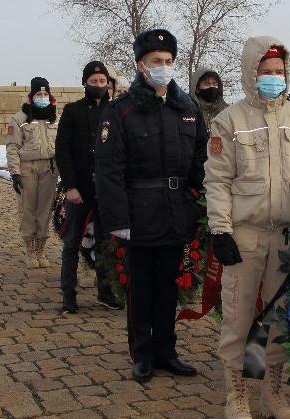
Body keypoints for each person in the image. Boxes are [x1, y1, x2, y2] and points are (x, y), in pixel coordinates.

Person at [204, 36, 290, 419]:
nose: (273, 78)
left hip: (288, 238)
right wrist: (220, 231)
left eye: (279, 72)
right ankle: (236, 394)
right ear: (251, 73)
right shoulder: (230, 120)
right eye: (266, 72)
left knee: (280, 317)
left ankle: (273, 393)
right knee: (238, 316)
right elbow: (218, 180)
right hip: (245, 235)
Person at [96, 28, 208, 384]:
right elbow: (108, 170)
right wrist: (118, 220)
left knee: (168, 285)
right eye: (156, 61)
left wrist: (196, 205)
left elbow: (202, 161)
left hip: (177, 210)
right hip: (139, 212)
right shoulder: (122, 111)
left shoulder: (187, 108)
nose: (163, 67)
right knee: (141, 287)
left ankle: (167, 350)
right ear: (141, 65)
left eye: (169, 61)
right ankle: (142, 352)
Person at [55, 61, 122, 313]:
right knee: (72, 241)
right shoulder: (73, 111)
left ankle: (105, 291)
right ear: (85, 83)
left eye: (102, 82)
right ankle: (68, 294)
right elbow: (62, 151)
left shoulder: (115, 111)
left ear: (108, 84)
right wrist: (71, 185)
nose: (98, 86)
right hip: (79, 189)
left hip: (106, 189)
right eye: (93, 82)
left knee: (106, 242)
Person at [6, 77, 58, 268]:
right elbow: (12, 147)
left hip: (49, 168)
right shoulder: (19, 118)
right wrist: (15, 173)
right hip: (27, 168)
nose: (42, 97)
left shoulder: (55, 117)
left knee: (44, 210)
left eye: (45, 94)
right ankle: (30, 249)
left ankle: (41, 249)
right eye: (38, 94)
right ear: (31, 95)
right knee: (28, 209)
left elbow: (61, 145)